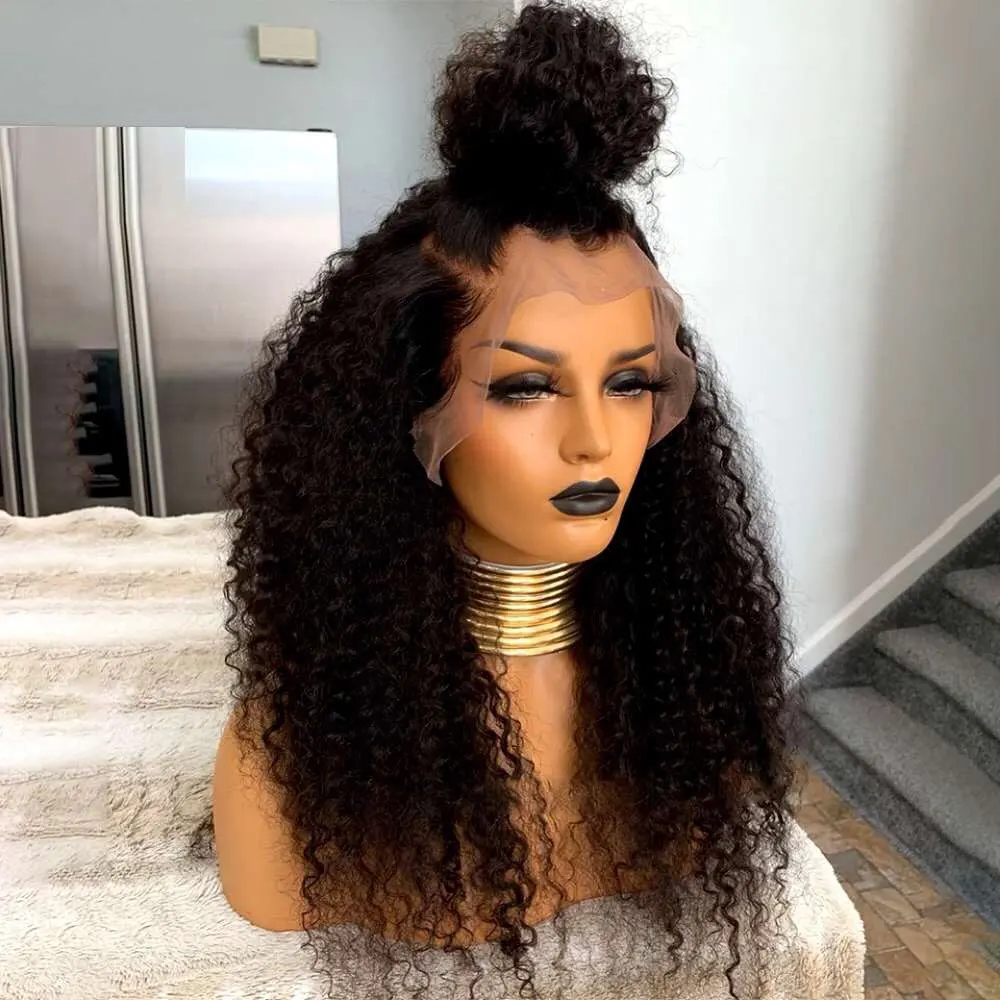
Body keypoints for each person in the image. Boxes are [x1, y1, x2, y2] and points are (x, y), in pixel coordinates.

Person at [204, 2, 865, 998]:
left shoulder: (684, 706)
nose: (596, 438)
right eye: (523, 387)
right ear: (402, 408)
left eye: (631, 381)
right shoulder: (300, 758)